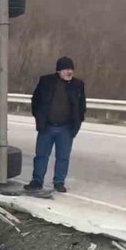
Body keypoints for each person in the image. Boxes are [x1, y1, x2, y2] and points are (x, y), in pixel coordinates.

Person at [24, 56, 87, 193]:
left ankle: (59, 182)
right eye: (65, 69)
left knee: (63, 157)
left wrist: (78, 121)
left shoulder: (77, 85)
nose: (69, 72)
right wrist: (39, 118)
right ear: (59, 71)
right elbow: (36, 101)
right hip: (47, 126)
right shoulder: (46, 81)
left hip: (66, 128)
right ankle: (37, 180)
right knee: (41, 155)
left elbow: (81, 106)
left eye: (71, 69)